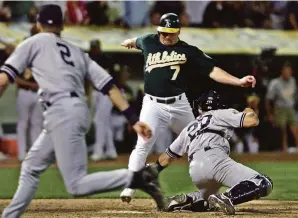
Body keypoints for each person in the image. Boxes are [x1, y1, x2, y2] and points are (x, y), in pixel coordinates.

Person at [0, 5, 164, 218]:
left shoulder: (32, 42)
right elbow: (109, 86)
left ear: (38, 24)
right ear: (62, 25)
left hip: (61, 111)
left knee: (76, 184)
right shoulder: (77, 51)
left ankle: (138, 177)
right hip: (73, 110)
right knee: (31, 167)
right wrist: (133, 118)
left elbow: (4, 78)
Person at [120, 12, 256, 202]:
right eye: (164, 33)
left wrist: (239, 81)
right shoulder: (148, 41)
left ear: (178, 32)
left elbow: (213, 71)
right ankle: (130, 186)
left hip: (179, 104)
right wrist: (129, 41)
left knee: (198, 142)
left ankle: (208, 189)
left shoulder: (188, 50)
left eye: (171, 33)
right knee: (142, 145)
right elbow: (137, 41)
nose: (167, 37)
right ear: (159, 30)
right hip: (152, 104)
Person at [154, 90, 273, 215]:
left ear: (200, 106)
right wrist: (249, 108)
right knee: (263, 182)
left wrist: (151, 172)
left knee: (208, 199)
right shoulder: (222, 113)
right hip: (216, 160)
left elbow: (165, 158)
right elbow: (252, 121)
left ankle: (191, 199)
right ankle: (227, 197)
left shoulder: (190, 127)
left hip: (195, 171)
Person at [16, 24, 43, 162]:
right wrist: (32, 84)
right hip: (25, 92)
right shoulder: (23, 51)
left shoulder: (43, 51)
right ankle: (22, 153)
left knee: (37, 124)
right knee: (23, 123)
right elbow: (16, 78)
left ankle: (35, 154)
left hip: (38, 92)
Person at [266, 62, 298, 152]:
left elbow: (294, 95)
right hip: (280, 108)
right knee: (282, 130)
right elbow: (268, 99)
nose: (288, 73)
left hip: (290, 108)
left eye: (290, 72)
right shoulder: (275, 83)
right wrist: (270, 114)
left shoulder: (293, 81)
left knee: (295, 128)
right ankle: (284, 151)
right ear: (282, 72)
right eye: (286, 71)